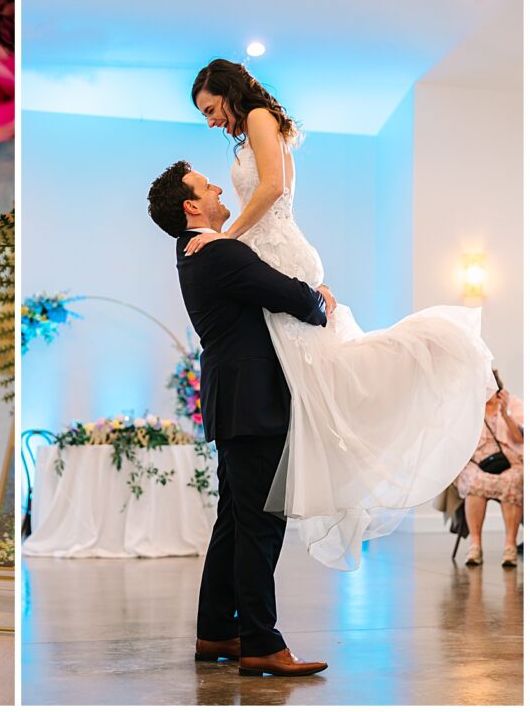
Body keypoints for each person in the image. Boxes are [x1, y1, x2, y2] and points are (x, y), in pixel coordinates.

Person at [182, 59, 495, 572]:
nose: (211, 121)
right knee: (311, 379)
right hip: (271, 251)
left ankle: (419, 360)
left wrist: (225, 236)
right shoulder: (251, 130)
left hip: (277, 249)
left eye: (212, 109)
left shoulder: (259, 115)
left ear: (230, 93)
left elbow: (273, 189)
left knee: (321, 377)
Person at [147, 160, 329, 677]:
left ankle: (217, 632)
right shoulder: (219, 251)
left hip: (235, 401)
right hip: (253, 404)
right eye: (207, 186)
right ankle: (261, 643)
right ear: (191, 206)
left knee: (234, 521)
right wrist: (321, 301)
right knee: (259, 525)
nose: (218, 188)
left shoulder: (193, 253)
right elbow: (287, 294)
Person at [455, 385, 523, 566]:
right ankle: (475, 546)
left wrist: (505, 413)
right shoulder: (469, 409)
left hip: (509, 461)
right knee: (475, 482)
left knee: (513, 481)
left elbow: (520, 439)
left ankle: (510, 546)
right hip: (477, 463)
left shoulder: (513, 404)